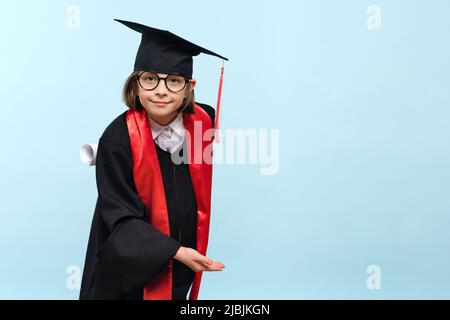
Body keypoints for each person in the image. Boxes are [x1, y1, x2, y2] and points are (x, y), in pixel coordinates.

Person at [79, 19, 228, 300]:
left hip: (181, 263)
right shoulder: (117, 138)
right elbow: (120, 220)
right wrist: (174, 251)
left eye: (174, 81)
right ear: (136, 84)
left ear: (189, 86)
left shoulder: (200, 122)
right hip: (127, 273)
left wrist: (181, 254)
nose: (161, 90)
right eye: (150, 79)